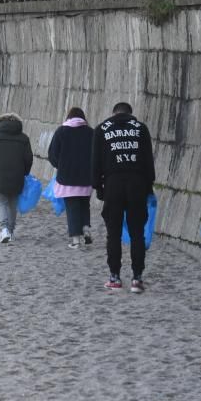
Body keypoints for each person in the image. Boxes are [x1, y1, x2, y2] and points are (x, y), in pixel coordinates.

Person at [92, 101, 156, 293]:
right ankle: (137, 278)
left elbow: (95, 163)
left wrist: (99, 188)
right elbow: (148, 162)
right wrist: (148, 187)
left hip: (113, 184)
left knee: (114, 233)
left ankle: (115, 277)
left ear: (113, 114)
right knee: (137, 232)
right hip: (137, 184)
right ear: (130, 114)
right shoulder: (141, 129)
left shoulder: (101, 129)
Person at [47, 107, 95, 248]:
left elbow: (53, 154)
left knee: (72, 206)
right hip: (87, 177)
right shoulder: (91, 132)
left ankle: (75, 240)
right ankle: (86, 228)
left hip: (67, 177)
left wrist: (60, 166)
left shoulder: (61, 131)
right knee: (84, 204)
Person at [0, 113, 33, 244]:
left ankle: (4, 229)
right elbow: (28, 158)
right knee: (13, 202)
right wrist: (25, 173)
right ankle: (10, 231)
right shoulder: (24, 138)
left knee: (0, 201)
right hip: (17, 175)